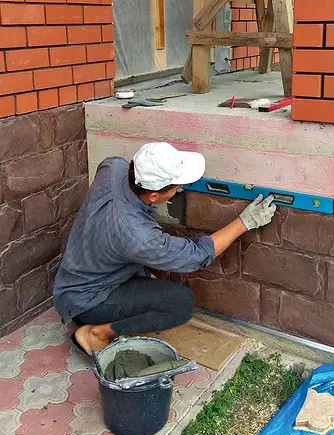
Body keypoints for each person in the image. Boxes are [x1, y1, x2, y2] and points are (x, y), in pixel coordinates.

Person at [53, 142, 276, 355]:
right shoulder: (138, 235)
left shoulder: (112, 168)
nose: (180, 189)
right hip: (87, 303)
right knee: (180, 304)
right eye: (177, 187)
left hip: (74, 281)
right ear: (154, 196)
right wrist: (245, 222)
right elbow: (195, 255)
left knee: (151, 277)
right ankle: (95, 333)